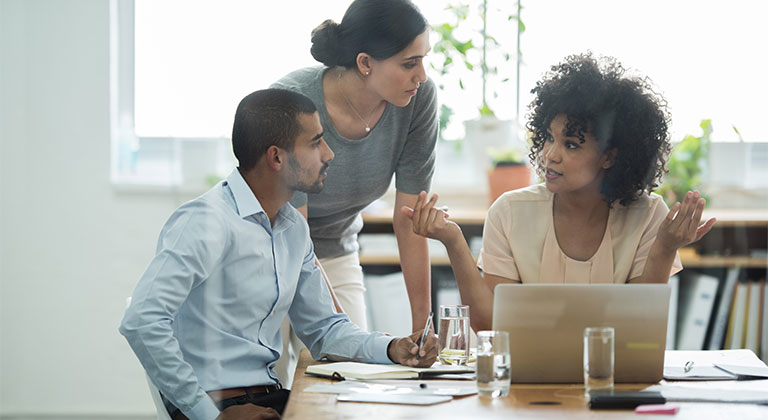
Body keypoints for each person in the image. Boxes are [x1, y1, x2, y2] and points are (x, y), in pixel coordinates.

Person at [119, 89, 438, 420]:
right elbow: (142, 320)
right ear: (276, 158)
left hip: (271, 399)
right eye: (315, 143)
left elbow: (324, 329)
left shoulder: (293, 228)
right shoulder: (205, 221)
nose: (328, 154)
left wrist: (391, 347)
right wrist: (210, 416)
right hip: (219, 406)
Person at [403, 52, 717, 332]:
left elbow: (639, 332)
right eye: (549, 138)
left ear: (610, 155)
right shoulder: (510, 211)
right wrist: (454, 241)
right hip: (526, 386)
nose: (550, 155)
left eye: (571, 144)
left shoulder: (648, 215)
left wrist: (665, 247)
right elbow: (489, 326)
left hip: (612, 382)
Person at [271, 0, 438, 333]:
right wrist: (343, 332)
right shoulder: (292, 103)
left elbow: (410, 222)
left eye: (424, 59)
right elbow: (293, 235)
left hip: (336, 252)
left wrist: (423, 328)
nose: (421, 75)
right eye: (409, 63)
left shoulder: (418, 100)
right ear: (365, 63)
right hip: (268, 253)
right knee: (270, 377)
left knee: (348, 376)